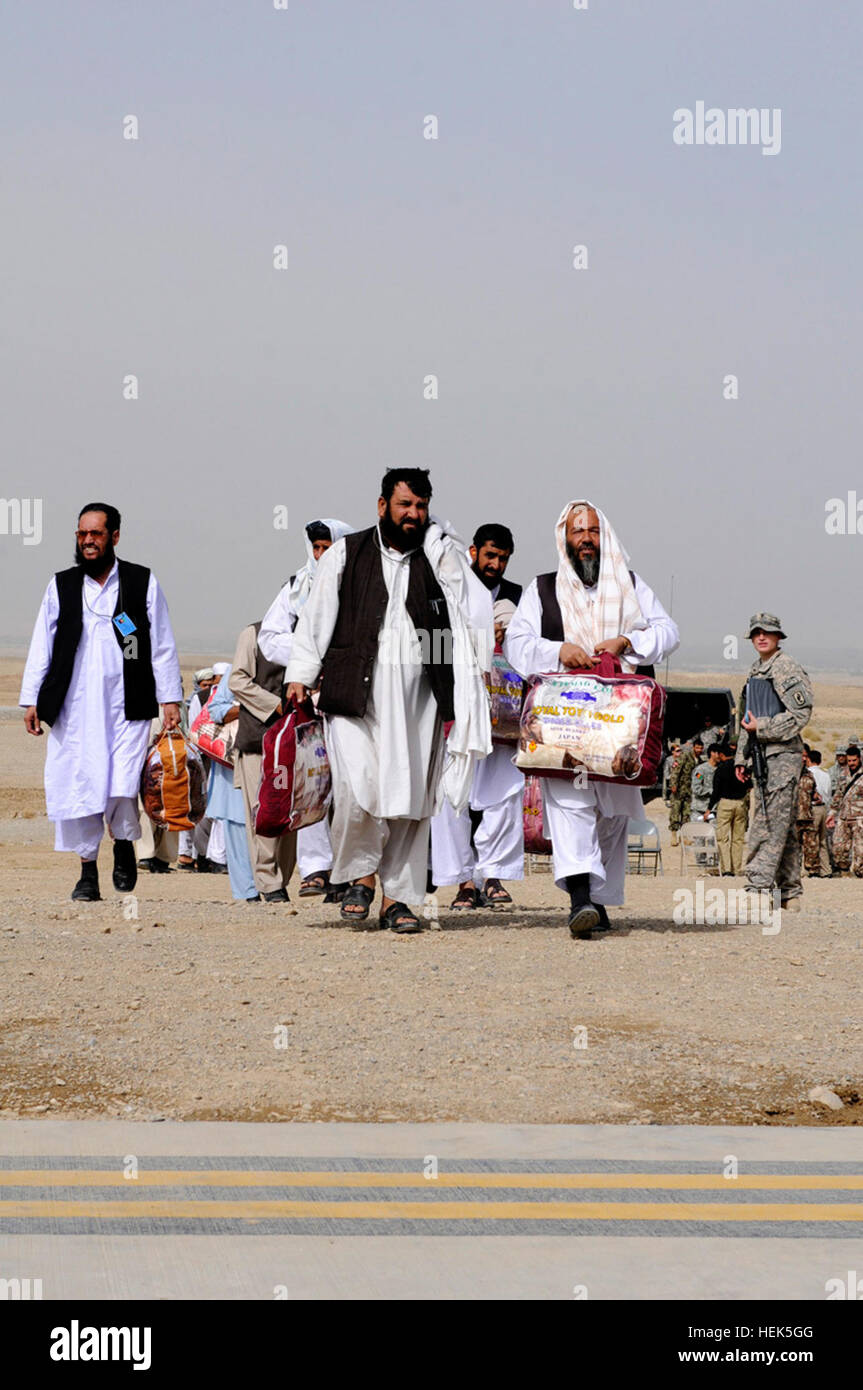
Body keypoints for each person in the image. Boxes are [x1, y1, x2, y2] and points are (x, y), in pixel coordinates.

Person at [284, 469, 492, 933]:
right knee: (358, 794)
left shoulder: (440, 558)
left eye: (420, 507)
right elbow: (317, 618)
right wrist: (300, 674)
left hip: (421, 701)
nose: (413, 515)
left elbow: (469, 614)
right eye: (404, 506)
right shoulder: (346, 553)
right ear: (383, 507)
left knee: (411, 802)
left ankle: (397, 900)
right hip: (354, 696)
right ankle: (360, 875)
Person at [505, 500, 678, 938]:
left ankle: (597, 902)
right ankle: (580, 898)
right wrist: (557, 650)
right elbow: (517, 642)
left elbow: (668, 631)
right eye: (577, 531)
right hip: (565, 716)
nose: (585, 539)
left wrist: (627, 641)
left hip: (616, 722)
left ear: (605, 537)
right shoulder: (542, 588)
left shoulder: (630, 584)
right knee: (570, 804)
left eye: (593, 532)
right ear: (564, 538)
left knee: (614, 811)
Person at [20, 502, 181, 902]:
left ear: (114, 537)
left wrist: (171, 698)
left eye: (95, 534)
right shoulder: (61, 585)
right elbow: (42, 644)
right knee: (81, 783)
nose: (88, 541)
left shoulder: (141, 581)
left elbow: (160, 643)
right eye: (81, 534)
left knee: (121, 783)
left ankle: (124, 844)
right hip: (74, 708)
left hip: (128, 703)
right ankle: (87, 870)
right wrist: (32, 699)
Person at [259, 518, 354, 897]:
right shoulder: (297, 587)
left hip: (352, 699)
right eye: (316, 548)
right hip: (310, 701)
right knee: (311, 780)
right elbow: (270, 638)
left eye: (328, 548)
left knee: (350, 786)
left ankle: (349, 871)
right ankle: (315, 869)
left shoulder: (362, 585)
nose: (320, 555)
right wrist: (310, 654)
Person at [432, 524, 524, 908]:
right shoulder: (450, 588)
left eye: (502, 558)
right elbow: (432, 644)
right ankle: (463, 881)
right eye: (490, 556)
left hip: (503, 716)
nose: (495, 564)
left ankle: (494, 875)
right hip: (459, 711)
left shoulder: (519, 596)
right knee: (453, 796)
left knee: (506, 795)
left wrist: (511, 635)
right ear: (472, 552)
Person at [735, 613, 813, 910]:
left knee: (767, 822)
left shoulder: (785, 668)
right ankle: (789, 891)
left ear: (778, 636)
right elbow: (747, 718)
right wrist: (742, 756)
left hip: (782, 756)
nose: (761, 637)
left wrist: (763, 728)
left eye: (767, 632)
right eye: (756, 633)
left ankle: (758, 888)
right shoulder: (757, 669)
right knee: (783, 825)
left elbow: (799, 715)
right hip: (762, 756)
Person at [229, 623, 297, 902]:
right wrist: (274, 704)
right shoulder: (253, 634)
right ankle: (269, 882)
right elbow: (238, 680)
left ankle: (282, 878)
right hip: (258, 740)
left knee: (292, 810)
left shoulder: (314, 634)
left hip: (295, 740)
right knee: (263, 809)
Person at [205, 663, 259, 902]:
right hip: (233, 761)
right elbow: (216, 710)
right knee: (237, 826)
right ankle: (247, 892)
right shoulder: (235, 671)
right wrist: (248, 708)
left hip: (273, 760)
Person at [708, 741, 749, 875]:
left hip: (725, 803)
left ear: (721, 754)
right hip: (740, 803)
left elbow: (716, 790)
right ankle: (736, 869)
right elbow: (749, 784)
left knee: (723, 838)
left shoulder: (721, 769)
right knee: (738, 839)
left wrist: (709, 808)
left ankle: (726, 869)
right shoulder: (743, 767)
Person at [827, 744, 863, 877]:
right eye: (849, 761)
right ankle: (844, 872)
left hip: (860, 818)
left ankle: (860, 876)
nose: (851, 763)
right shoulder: (844, 774)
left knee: (860, 850)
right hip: (844, 816)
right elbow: (838, 795)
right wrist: (831, 813)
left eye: (854, 760)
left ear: (859, 759)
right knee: (838, 847)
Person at [804, 747, 832, 878]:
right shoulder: (826, 775)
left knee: (811, 840)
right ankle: (826, 869)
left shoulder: (807, 774)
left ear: (808, 760)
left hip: (812, 809)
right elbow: (828, 795)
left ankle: (812, 868)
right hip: (823, 809)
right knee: (822, 840)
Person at [669, 738, 703, 843]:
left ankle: (684, 836)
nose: (699, 750)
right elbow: (676, 770)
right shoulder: (685, 756)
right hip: (679, 789)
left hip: (689, 790)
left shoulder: (699, 761)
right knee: (675, 811)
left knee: (686, 813)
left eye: (701, 748)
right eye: (697, 747)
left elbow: (697, 774)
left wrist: (701, 780)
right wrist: (673, 784)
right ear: (693, 747)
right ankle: (674, 835)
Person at [691, 744, 722, 818]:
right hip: (699, 809)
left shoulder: (721, 769)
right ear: (712, 753)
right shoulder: (700, 770)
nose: (721, 756)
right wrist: (711, 791)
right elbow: (696, 788)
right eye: (719, 753)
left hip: (714, 810)